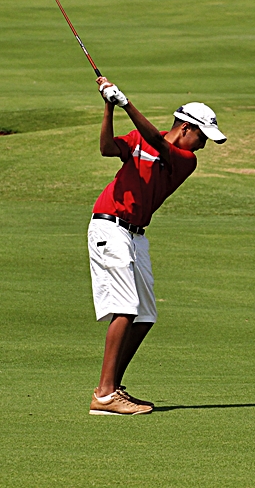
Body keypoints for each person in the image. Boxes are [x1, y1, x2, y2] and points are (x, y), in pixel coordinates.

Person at [87, 74, 226, 416]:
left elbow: (157, 142)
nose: (203, 146)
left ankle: (112, 387)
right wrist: (110, 107)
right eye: (202, 137)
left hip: (136, 235)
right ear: (185, 127)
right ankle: (104, 395)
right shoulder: (139, 139)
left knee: (145, 315)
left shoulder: (185, 160)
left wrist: (125, 102)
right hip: (110, 225)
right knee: (125, 307)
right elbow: (107, 148)